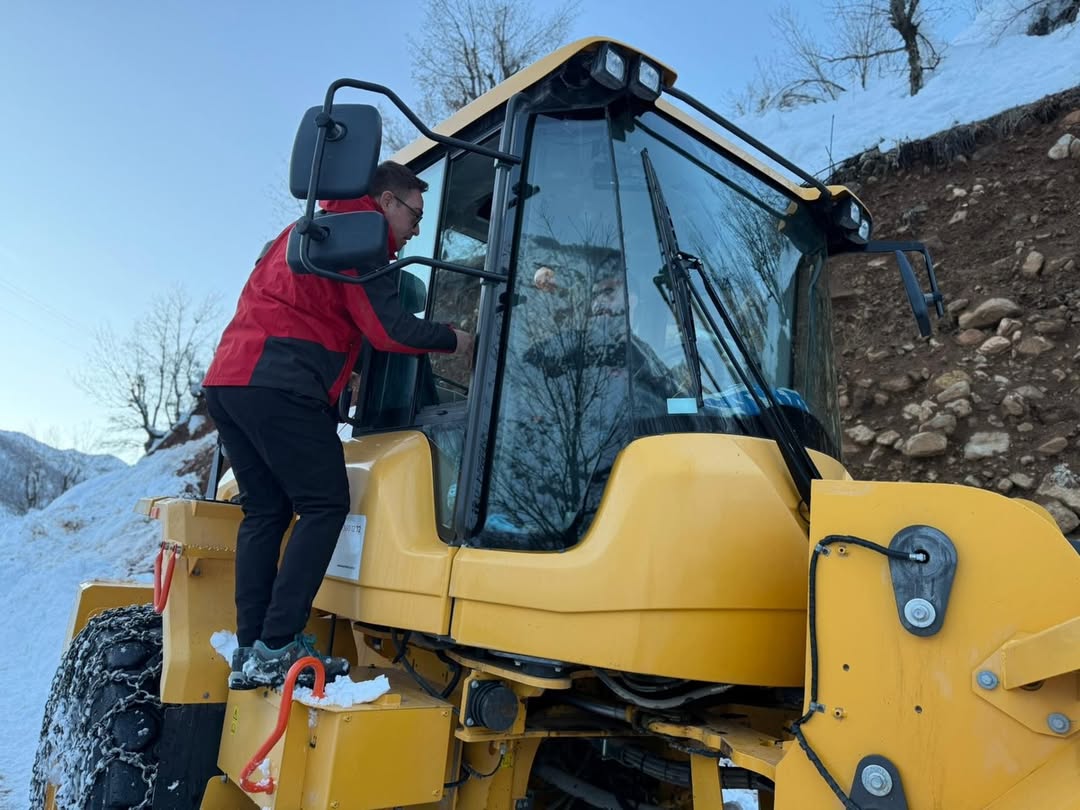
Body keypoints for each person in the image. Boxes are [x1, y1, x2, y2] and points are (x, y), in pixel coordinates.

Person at [203, 161, 473, 689]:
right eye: (415, 213)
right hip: (279, 383)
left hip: (230, 381)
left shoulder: (306, 230)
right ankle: (278, 645)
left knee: (266, 510)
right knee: (325, 503)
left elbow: (310, 310)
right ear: (387, 202)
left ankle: (252, 649)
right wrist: (458, 340)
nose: (417, 227)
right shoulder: (360, 232)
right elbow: (387, 329)